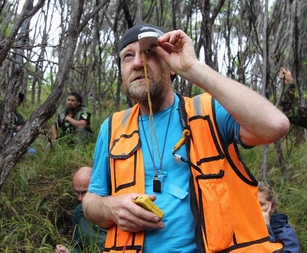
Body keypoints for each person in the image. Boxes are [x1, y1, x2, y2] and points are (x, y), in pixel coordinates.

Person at [82, 23, 289, 252]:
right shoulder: (112, 127)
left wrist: (191, 68)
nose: (138, 63)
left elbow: (275, 125)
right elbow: (91, 200)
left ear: (170, 66)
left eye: (149, 53)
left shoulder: (208, 112)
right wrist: (109, 206)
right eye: (127, 57)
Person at [55, 167, 107, 253]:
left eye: (84, 192)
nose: (79, 198)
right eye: (76, 192)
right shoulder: (79, 212)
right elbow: (79, 247)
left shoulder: (112, 208)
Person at [258, 181, 300, 253]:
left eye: (261, 204)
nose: (256, 209)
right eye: (252, 203)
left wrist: (266, 229)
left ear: (272, 206)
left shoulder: (285, 233)